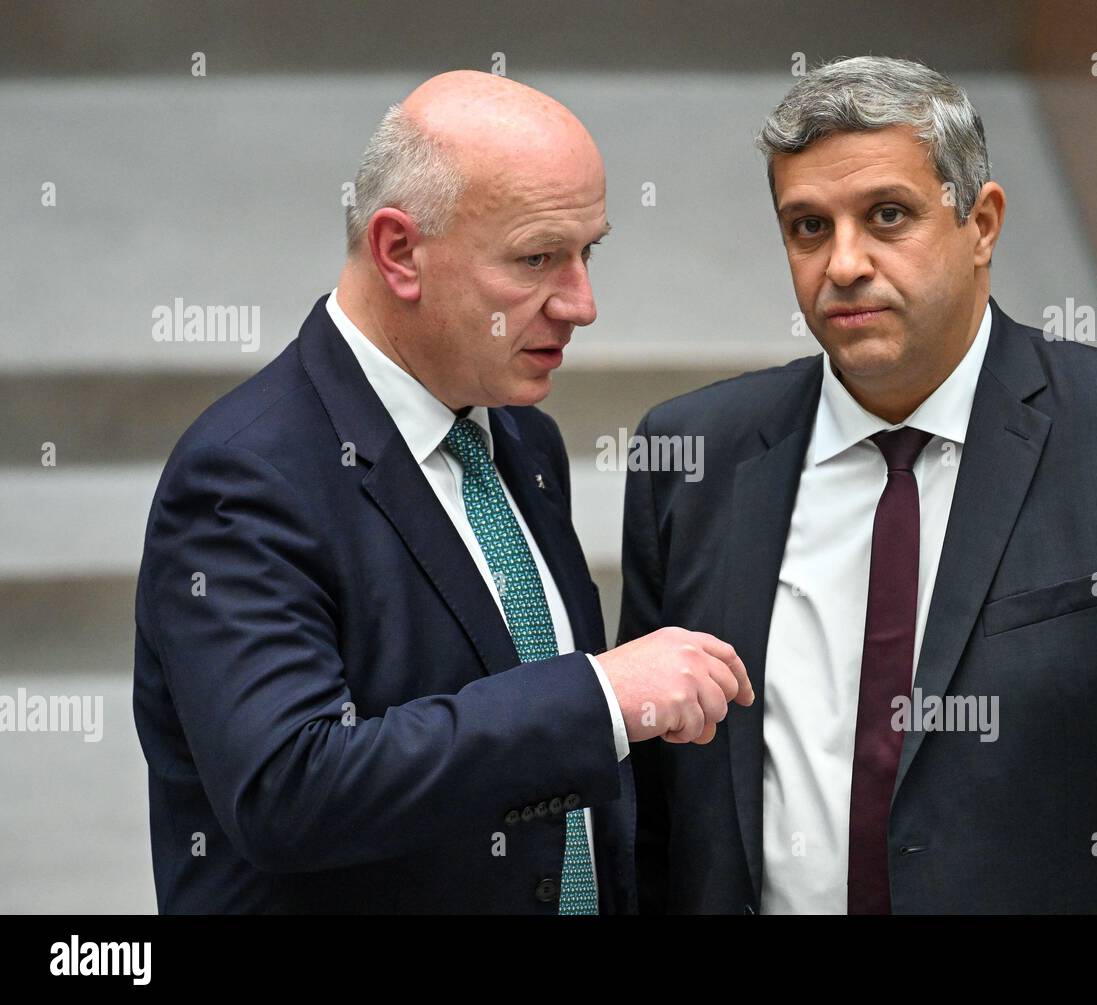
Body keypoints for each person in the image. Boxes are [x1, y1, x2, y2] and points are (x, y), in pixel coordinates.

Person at [621, 55, 1097, 914]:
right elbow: (652, 819)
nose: (844, 263)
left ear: (981, 223)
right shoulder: (693, 457)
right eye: (808, 227)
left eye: (887, 216)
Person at [133, 70, 752, 914]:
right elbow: (289, 788)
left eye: (588, 251)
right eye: (537, 258)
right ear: (399, 252)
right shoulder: (244, 475)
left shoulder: (520, 434)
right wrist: (601, 696)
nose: (583, 303)